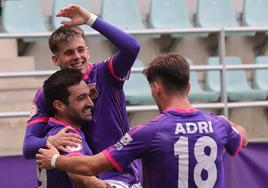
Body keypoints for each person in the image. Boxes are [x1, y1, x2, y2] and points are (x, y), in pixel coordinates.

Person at [36, 53, 248, 188]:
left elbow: (91, 166)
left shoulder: (148, 132)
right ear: (189, 87)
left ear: (156, 88)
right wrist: (230, 124)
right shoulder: (218, 125)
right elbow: (241, 138)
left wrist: (55, 160)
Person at [23, 4, 142, 188]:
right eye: (69, 52)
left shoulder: (105, 73)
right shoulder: (49, 92)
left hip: (120, 173)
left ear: (88, 51)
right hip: (84, 173)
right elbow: (28, 146)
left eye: (81, 50)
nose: (77, 57)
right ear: (56, 59)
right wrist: (49, 141)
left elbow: (132, 47)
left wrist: (90, 20)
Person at [40, 69, 110, 188]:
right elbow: (80, 174)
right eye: (81, 98)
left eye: (89, 96)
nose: (90, 103)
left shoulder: (53, 132)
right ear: (59, 105)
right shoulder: (67, 135)